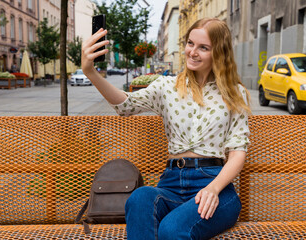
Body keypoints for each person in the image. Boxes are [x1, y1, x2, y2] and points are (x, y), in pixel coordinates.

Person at [81, 17, 251, 240]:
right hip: (171, 183)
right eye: (190, 43)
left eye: (203, 47)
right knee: (140, 198)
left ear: (219, 53)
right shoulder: (167, 86)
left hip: (215, 185)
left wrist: (213, 189)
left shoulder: (235, 93)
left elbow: (238, 153)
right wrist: (91, 72)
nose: (192, 52)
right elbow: (125, 105)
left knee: (171, 229)